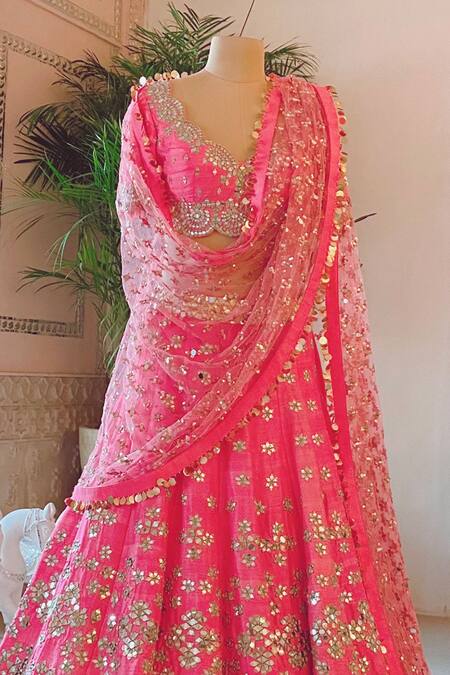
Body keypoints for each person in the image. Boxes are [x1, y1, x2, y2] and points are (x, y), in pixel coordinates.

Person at [0, 36, 429, 674]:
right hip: (167, 360)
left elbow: (314, 250)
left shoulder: (312, 113)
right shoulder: (153, 106)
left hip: (275, 362)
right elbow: (141, 243)